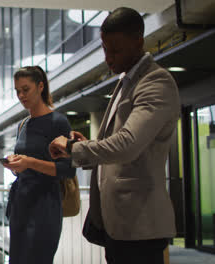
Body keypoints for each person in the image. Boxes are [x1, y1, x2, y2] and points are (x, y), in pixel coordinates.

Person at [49, 7, 180, 264]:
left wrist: (74, 149)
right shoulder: (126, 81)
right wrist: (85, 145)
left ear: (138, 42)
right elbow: (120, 143)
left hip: (140, 224)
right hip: (119, 223)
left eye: (116, 50)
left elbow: (128, 145)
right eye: (105, 49)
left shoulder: (155, 82)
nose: (108, 58)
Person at [3, 66, 76, 264]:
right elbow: (25, 166)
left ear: (40, 86)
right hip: (20, 204)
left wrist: (30, 162)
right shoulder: (23, 124)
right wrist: (17, 165)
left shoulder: (58, 122)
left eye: (25, 89)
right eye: (17, 90)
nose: (20, 95)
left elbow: (67, 170)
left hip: (44, 206)